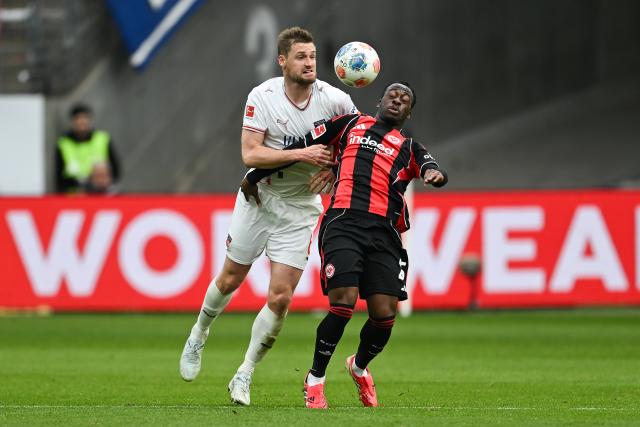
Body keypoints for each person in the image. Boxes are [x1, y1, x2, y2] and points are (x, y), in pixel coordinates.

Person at [178, 26, 357, 406]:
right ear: (282, 61)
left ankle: (244, 374)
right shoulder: (263, 96)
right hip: (259, 198)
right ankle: (199, 333)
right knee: (229, 279)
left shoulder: (337, 101)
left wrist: (336, 167)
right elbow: (251, 155)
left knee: (280, 299)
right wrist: (303, 155)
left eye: (312, 57)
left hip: (300, 209)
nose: (309, 63)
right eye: (300, 57)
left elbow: (356, 148)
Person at [241, 82, 448, 409]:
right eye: (392, 95)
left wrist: (434, 175)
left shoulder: (409, 147)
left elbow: (430, 167)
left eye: (404, 99)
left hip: (385, 235)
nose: (397, 100)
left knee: (384, 315)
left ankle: (359, 366)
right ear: (380, 101)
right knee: (343, 302)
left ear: (409, 113)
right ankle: (315, 379)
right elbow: (302, 146)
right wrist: (254, 175)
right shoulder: (350, 123)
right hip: (343, 224)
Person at [54, 103, 121, 194]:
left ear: (90, 120)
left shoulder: (102, 139)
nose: (82, 122)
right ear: (73, 121)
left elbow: (115, 170)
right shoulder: (64, 143)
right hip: (74, 195)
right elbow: (59, 176)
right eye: (78, 119)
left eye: (84, 118)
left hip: (101, 194)